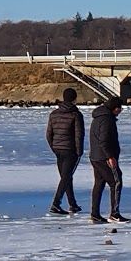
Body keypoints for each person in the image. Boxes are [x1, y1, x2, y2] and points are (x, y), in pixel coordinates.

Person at [88, 96, 128, 224]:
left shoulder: (99, 117)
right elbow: (104, 140)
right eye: (119, 108)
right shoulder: (107, 120)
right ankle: (114, 214)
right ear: (114, 108)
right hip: (103, 157)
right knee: (116, 182)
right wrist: (110, 156)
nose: (120, 110)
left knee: (99, 184)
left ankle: (95, 214)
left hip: (95, 156)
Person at [45, 87, 85, 215]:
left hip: (58, 149)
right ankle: (56, 204)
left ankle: (72, 204)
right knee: (66, 177)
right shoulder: (76, 114)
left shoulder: (54, 114)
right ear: (74, 99)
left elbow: (48, 134)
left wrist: (54, 147)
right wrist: (79, 151)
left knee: (66, 177)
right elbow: (79, 135)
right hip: (70, 150)